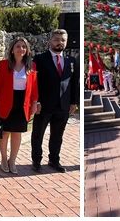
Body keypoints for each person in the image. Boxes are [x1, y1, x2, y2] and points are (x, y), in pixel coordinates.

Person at [31, 29, 78, 172]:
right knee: (38, 134)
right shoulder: (39, 59)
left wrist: (74, 102)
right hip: (44, 105)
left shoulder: (71, 61)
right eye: (57, 39)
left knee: (57, 135)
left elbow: (74, 83)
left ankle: (54, 160)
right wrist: (36, 101)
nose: (60, 42)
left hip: (63, 105)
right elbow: (34, 82)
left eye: (63, 40)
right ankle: (36, 161)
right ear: (50, 41)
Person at [0, 37, 39, 174]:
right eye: (18, 46)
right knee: (5, 132)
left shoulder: (31, 66)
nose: (21, 49)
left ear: (27, 50)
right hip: (6, 102)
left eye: (24, 47)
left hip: (22, 103)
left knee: (17, 133)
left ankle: (12, 160)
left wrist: (34, 104)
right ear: (12, 50)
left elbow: (34, 88)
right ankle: (3, 159)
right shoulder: (3, 65)